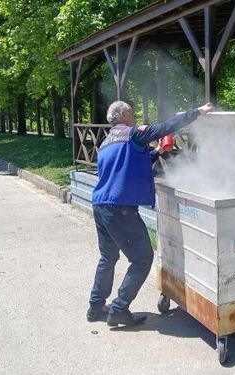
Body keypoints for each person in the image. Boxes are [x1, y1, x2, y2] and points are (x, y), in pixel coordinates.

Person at [87, 100, 213, 327]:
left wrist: (156, 152)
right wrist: (197, 112)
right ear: (123, 114)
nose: (134, 117)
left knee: (108, 257)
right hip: (120, 209)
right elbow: (164, 127)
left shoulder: (106, 142)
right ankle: (119, 309)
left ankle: (95, 307)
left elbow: (130, 164)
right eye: (132, 113)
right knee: (142, 258)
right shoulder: (132, 134)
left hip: (100, 206)